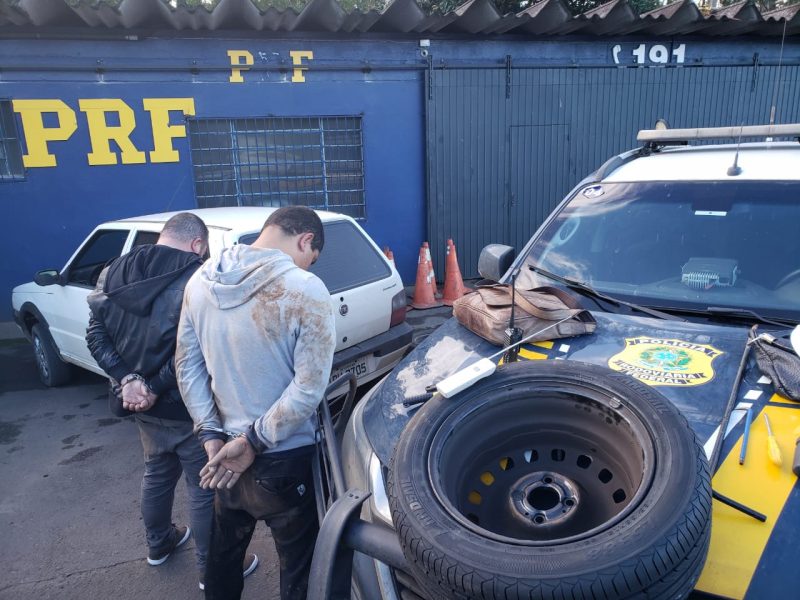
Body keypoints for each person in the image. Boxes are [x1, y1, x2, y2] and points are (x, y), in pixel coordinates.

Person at [85, 212, 258, 589]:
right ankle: (209, 570)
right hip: (188, 407)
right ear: (197, 244)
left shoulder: (112, 271)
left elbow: (95, 334)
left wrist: (128, 381)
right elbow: (195, 350)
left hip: (139, 407)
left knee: (157, 474)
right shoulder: (200, 277)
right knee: (203, 487)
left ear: (163, 236)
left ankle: (158, 544)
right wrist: (150, 386)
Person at [176, 206, 336, 600]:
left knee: (223, 559)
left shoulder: (200, 280)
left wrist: (210, 434)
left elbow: (187, 367)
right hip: (285, 459)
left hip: (224, 455)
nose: (308, 264)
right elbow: (308, 388)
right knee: (300, 570)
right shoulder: (306, 288)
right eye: (312, 257)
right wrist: (253, 441)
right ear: (305, 241)